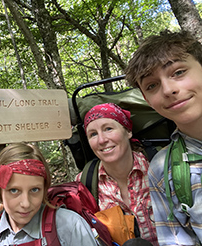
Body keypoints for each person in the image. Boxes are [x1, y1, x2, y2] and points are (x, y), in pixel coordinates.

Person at [125, 29, 202, 245]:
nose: (168, 90)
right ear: (147, 100)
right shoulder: (162, 169)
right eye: (152, 85)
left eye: (178, 72)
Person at [0, 142, 97, 246]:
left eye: (34, 190)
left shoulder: (69, 226)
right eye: (14, 190)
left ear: (44, 189)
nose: (26, 203)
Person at [75, 103, 157, 245]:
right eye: (93, 134)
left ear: (128, 131)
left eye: (108, 129)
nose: (102, 140)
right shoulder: (85, 182)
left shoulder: (157, 166)